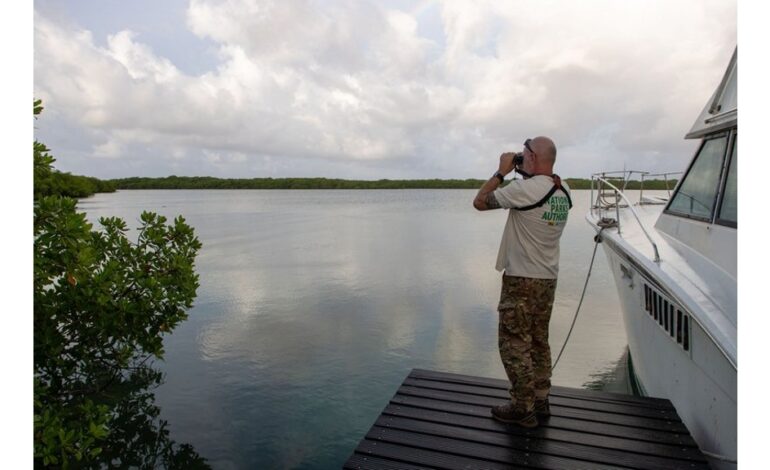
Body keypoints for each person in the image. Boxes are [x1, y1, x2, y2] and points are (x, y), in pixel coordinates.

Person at [473, 136, 571, 428]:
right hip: (547, 278)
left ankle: (521, 408)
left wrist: (501, 172)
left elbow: (479, 202)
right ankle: (541, 400)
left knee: (514, 342)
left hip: (521, 279)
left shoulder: (522, 189)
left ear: (532, 158)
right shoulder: (564, 189)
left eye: (524, 153)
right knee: (539, 341)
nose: (520, 157)